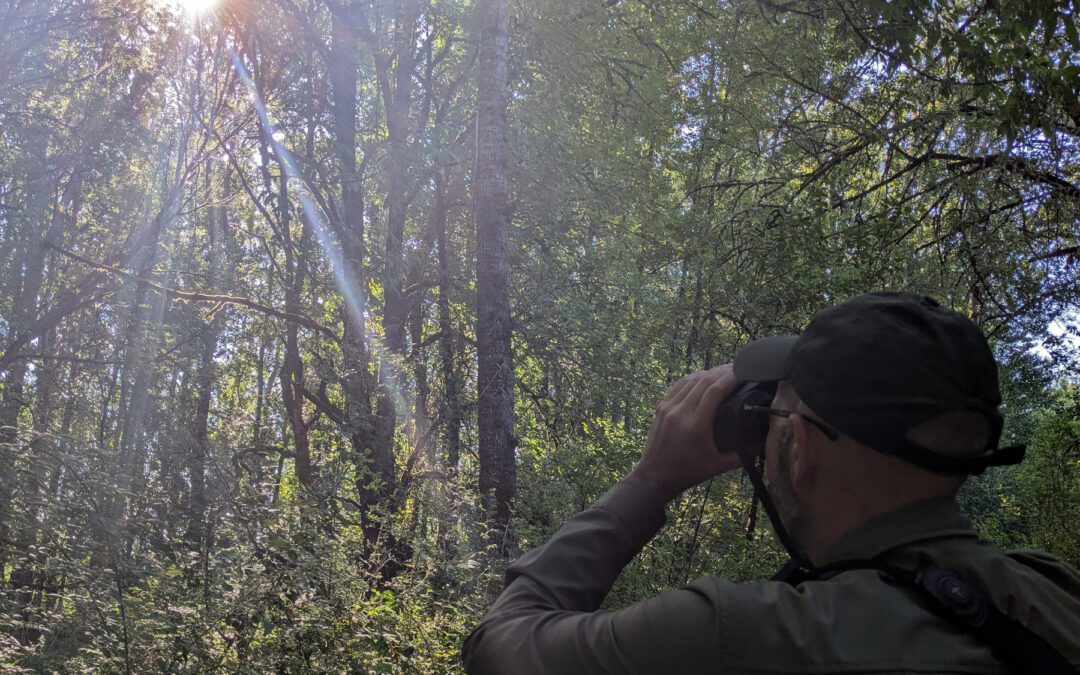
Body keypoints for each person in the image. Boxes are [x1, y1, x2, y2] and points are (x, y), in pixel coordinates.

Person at [461, 292, 1080, 674]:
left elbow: (499, 645)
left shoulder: (736, 635)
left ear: (802, 443)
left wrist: (651, 481)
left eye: (775, 413)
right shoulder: (1054, 590)